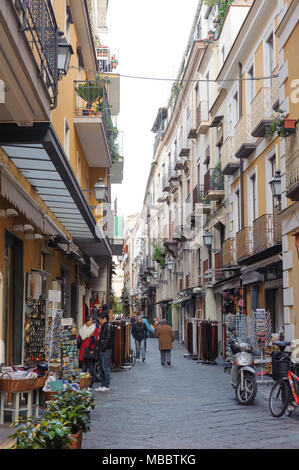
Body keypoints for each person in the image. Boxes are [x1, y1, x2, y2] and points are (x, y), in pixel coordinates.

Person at [77, 316, 100, 387]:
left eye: (91, 320)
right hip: (83, 351)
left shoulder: (94, 329)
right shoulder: (82, 329)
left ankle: (90, 384)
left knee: (91, 370)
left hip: (90, 351)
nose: (90, 322)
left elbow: (96, 340)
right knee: (83, 369)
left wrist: (93, 338)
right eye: (89, 320)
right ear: (86, 321)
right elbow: (80, 338)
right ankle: (84, 384)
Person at [95, 313, 114, 392]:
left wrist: (103, 347)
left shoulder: (108, 326)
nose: (100, 321)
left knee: (105, 366)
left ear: (105, 318)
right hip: (102, 349)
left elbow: (108, 339)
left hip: (105, 350)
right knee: (102, 367)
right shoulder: (104, 326)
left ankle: (106, 385)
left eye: (100, 319)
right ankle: (102, 384)